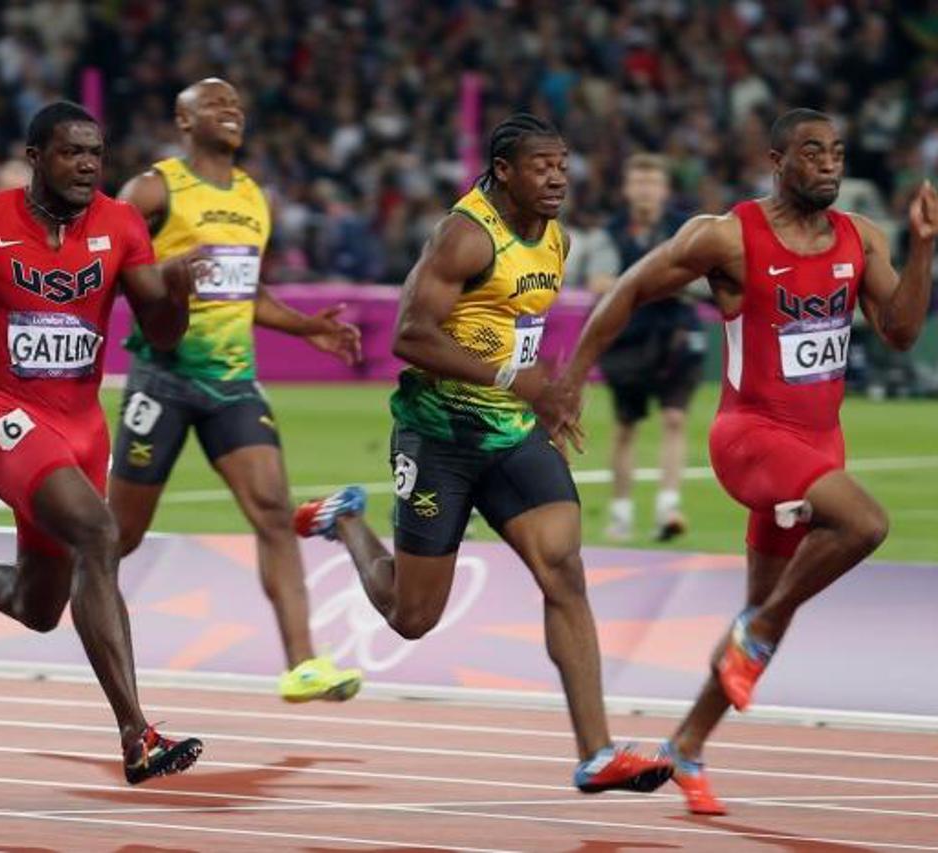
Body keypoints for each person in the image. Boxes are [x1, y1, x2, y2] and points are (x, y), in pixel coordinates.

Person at [546, 109, 937, 815]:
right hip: (750, 437)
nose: (829, 163)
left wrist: (923, 247)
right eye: (812, 152)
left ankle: (687, 746)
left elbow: (904, 332)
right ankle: (750, 638)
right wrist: (573, 378)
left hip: (820, 443)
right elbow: (630, 286)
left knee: (765, 612)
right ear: (776, 159)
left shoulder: (861, 238)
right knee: (865, 524)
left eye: (837, 152)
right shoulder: (726, 236)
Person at [294, 115, 673, 794]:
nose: (558, 177)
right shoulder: (466, 235)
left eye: (563, 164)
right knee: (412, 616)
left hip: (510, 435)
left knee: (564, 569)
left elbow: (516, 339)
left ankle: (597, 751)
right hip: (438, 437)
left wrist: (544, 397)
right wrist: (512, 378)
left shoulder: (555, 240)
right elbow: (410, 335)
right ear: (504, 170)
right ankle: (347, 520)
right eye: (542, 166)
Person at [0, 102, 204, 786]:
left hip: (84, 429)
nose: (87, 165)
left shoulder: (122, 223)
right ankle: (137, 734)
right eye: (71, 152)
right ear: (34, 156)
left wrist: (176, 296)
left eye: (96, 154)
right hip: (8, 419)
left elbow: (162, 332)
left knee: (39, 607)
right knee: (99, 534)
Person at [108, 78, 364, 703]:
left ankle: (303, 663)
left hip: (231, 384)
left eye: (237, 106)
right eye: (215, 105)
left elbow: (245, 291)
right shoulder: (153, 188)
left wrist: (308, 329)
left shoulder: (254, 197)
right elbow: (105, 258)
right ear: (183, 120)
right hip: (162, 380)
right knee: (119, 536)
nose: (232, 112)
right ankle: (45, 585)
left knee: (274, 513)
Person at [587, 154, 704, 542]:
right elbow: (599, 282)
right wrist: (666, 284)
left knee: (675, 419)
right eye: (638, 182)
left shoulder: (687, 230)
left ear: (664, 189)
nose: (645, 190)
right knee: (625, 427)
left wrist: (634, 286)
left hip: (677, 337)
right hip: (629, 340)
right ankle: (621, 513)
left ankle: (668, 507)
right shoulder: (610, 231)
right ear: (626, 188)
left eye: (652, 183)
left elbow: (703, 280)